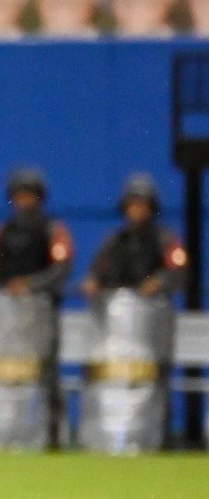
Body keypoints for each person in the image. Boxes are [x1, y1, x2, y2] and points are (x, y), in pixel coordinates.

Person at [77, 173, 187, 453]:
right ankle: (107, 438)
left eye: (142, 204)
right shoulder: (115, 241)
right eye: (131, 204)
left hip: (150, 328)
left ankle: (157, 438)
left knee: (152, 380)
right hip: (114, 332)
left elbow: (180, 271)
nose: (136, 210)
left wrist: (159, 283)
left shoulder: (165, 239)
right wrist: (92, 283)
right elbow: (95, 271)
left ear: (151, 207)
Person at [0, 168, 73, 450]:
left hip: (39, 314)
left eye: (30, 196)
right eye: (20, 196)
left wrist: (31, 284)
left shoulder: (53, 230)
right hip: (3, 317)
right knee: (5, 375)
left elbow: (61, 269)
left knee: (43, 373)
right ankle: (3, 435)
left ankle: (51, 437)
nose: (25, 201)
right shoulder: (1, 232)